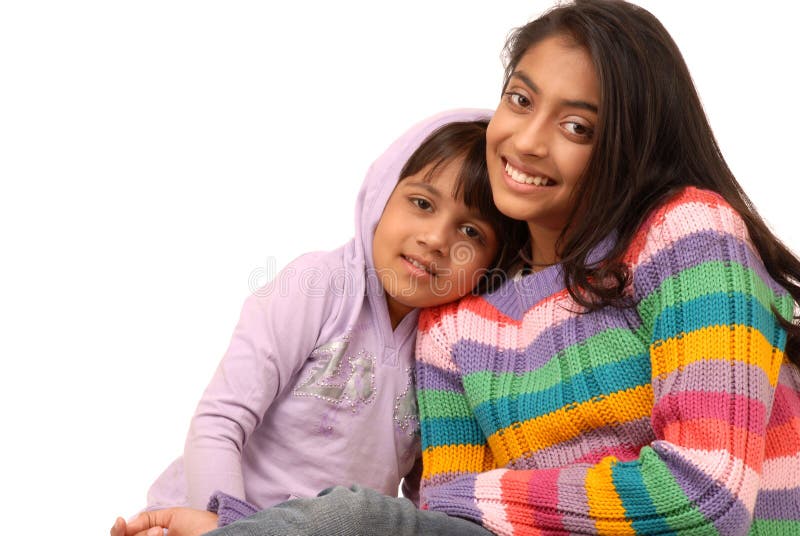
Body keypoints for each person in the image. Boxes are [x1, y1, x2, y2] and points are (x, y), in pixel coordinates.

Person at [113, 0, 800, 534]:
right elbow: (441, 509)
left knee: (351, 519)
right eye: (521, 99)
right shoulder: (456, 319)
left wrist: (481, 497)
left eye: (576, 127)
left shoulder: (686, 230)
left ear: (628, 140)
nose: (526, 141)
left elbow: (704, 496)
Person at [111, 108, 528, 534]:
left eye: (471, 232)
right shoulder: (318, 287)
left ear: (494, 262)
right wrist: (223, 528)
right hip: (206, 516)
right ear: (382, 194)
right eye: (421, 203)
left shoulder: (452, 349)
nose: (437, 239)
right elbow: (219, 423)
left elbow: (430, 493)